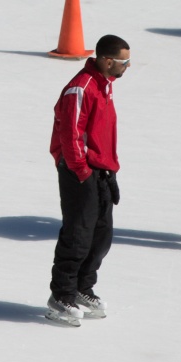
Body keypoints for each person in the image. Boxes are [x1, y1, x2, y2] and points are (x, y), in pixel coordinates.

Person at [45, 33, 129, 327]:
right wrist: (81, 171)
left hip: (101, 170)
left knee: (101, 234)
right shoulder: (81, 88)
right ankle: (62, 294)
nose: (127, 66)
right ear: (107, 60)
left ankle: (82, 287)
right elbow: (71, 135)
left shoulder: (105, 85)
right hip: (78, 170)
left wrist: (111, 170)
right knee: (78, 233)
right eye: (123, 61)